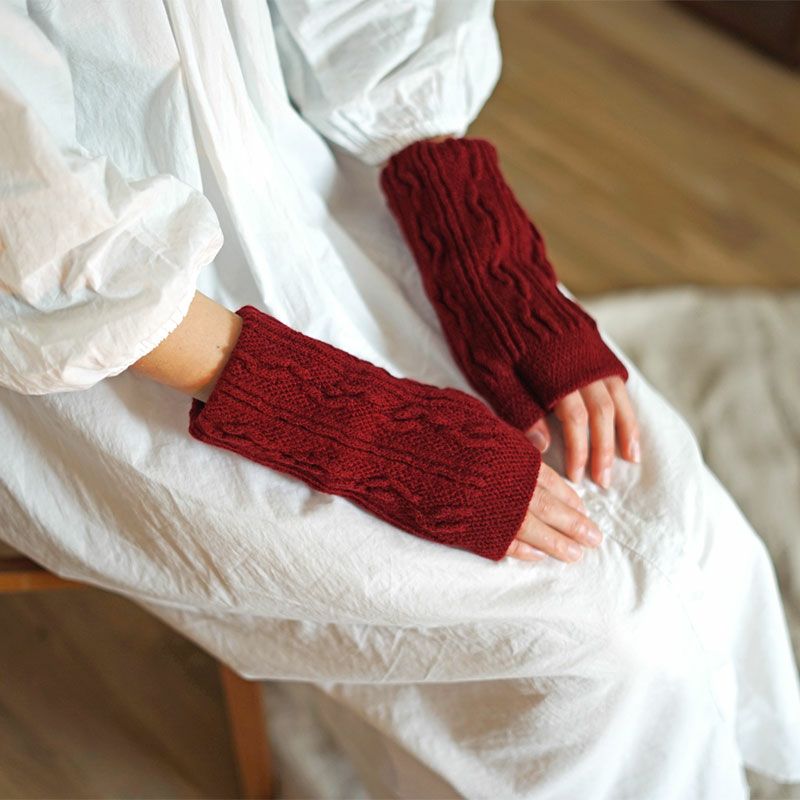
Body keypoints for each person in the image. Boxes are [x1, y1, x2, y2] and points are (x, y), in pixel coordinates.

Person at [0, 1, 798, 797]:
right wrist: (368, 429)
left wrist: (491, 268)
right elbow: (41, 234)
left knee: (673, 501)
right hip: (100, 352)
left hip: (290, 178)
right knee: (596, 641)